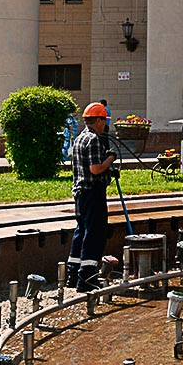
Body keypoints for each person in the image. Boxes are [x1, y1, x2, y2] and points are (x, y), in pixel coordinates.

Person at [67, 102, 118, 292]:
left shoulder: (80, 138)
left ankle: (73, 274)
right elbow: (96, 169)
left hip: (80, 192)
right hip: (93, 192)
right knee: (94, 233)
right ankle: (87, 278)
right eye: (104, 120)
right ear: (97, 120)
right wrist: (110, 158)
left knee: (81, 230)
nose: (105, 125)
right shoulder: (94, 140)